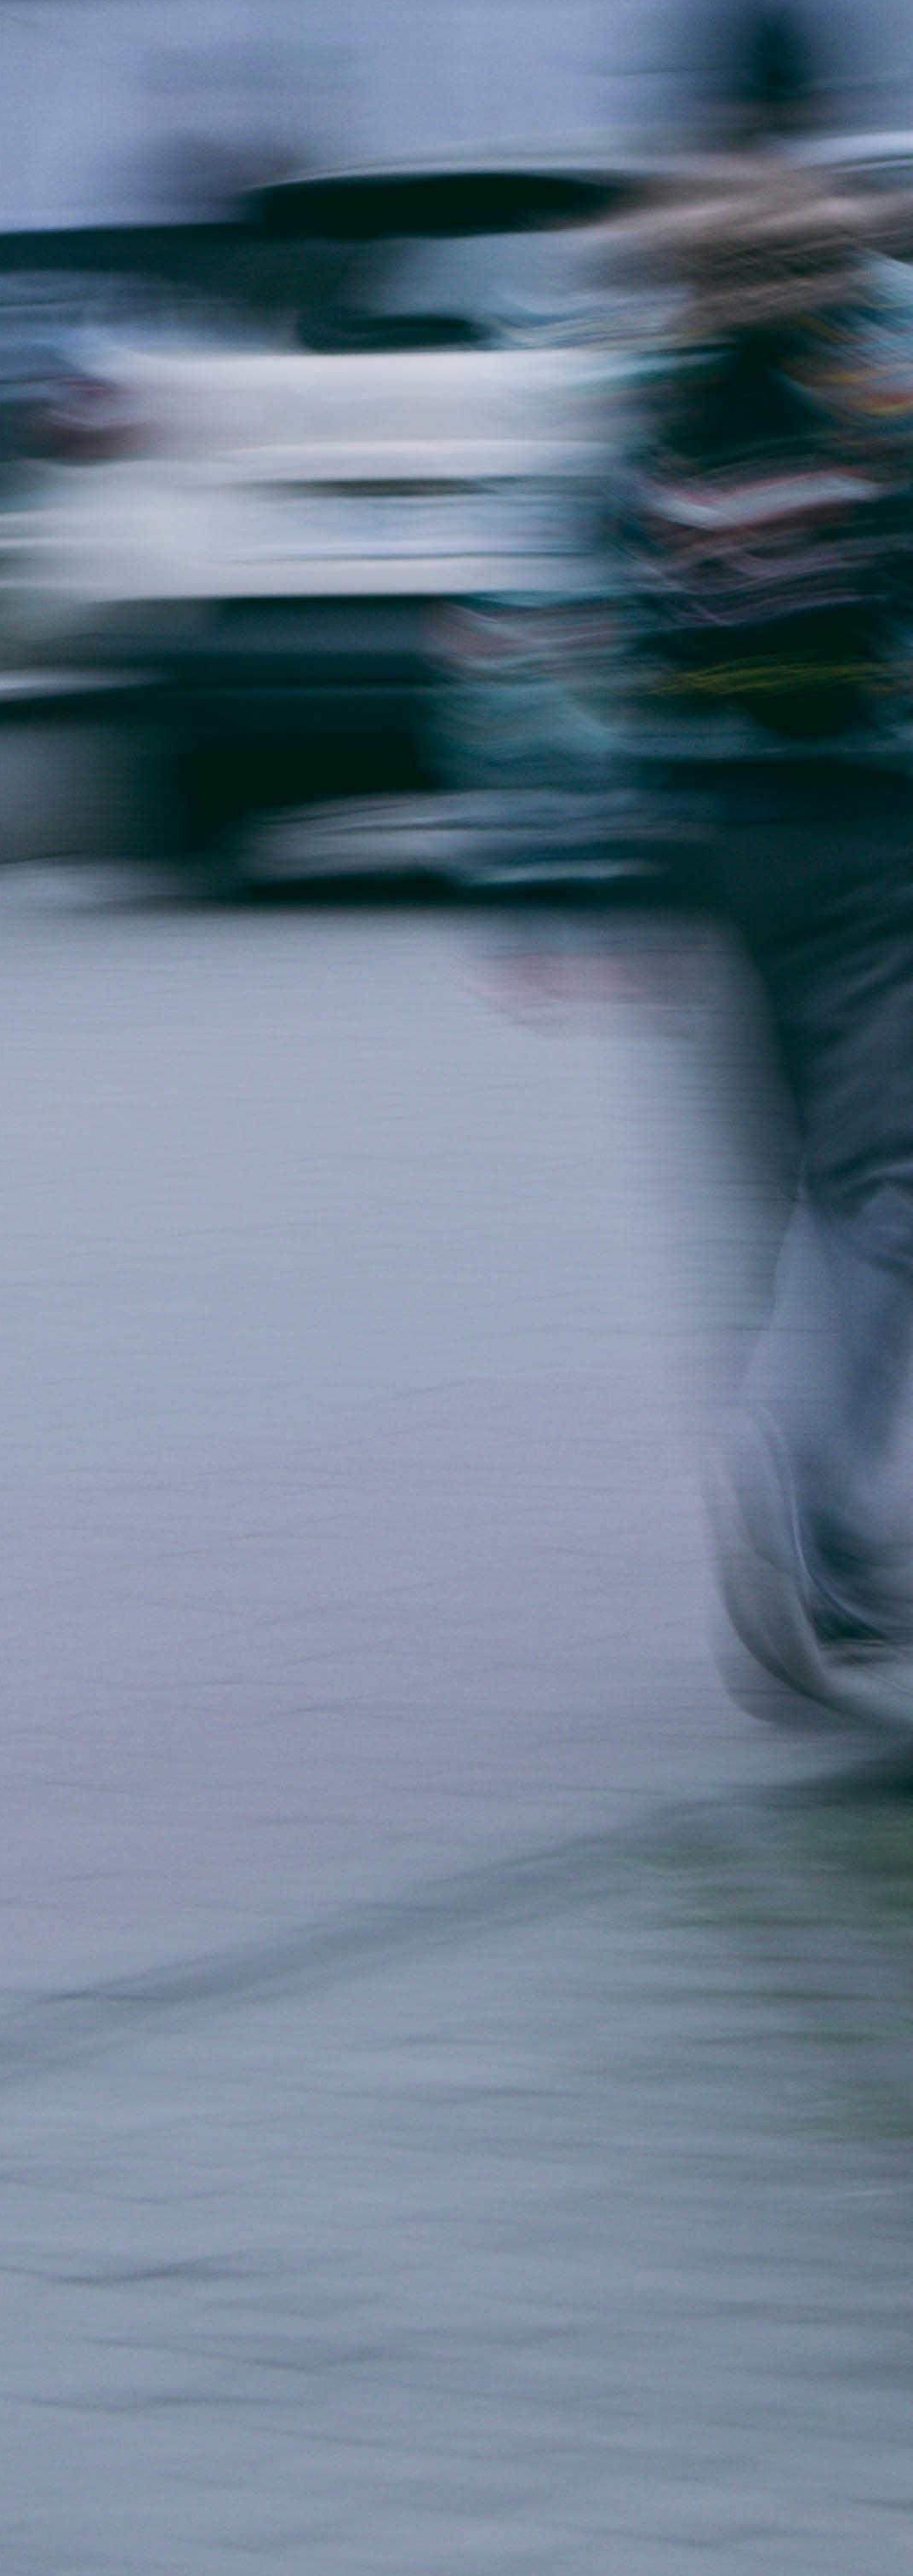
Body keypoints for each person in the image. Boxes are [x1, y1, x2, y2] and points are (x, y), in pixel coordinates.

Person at [453, 154, 913, 1708]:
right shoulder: (892, 370)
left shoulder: (633, 392)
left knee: (772, 1194)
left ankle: (829, 1541)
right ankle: (794, 1487)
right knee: (884, 1189)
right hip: (879, 831)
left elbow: (527, 628)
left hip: (695, 838)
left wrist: (536, 864)